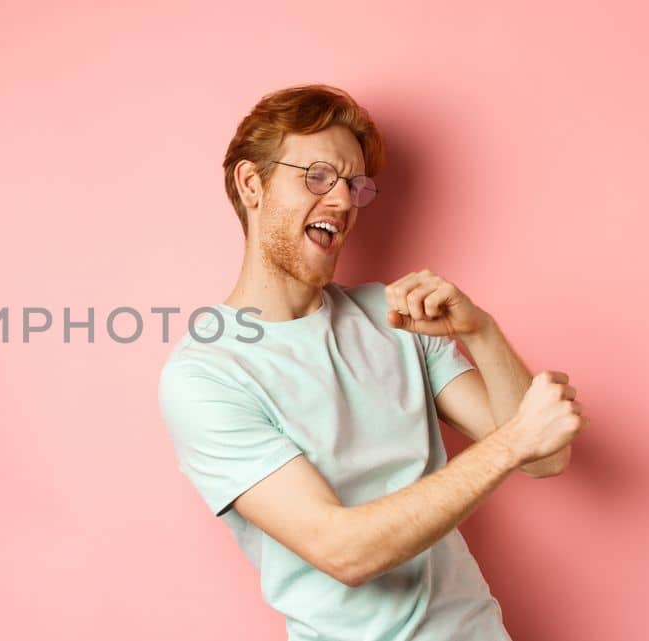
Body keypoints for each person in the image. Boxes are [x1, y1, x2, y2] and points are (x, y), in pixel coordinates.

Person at [157, 84, 587, 641]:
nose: (341, 200)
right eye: (316, 176)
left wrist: (480, 331)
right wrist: (511, 445)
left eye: (354, 185)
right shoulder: (207, 376)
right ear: (251, 184)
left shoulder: (393, 316)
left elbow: (544, 459)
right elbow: (344, 552)